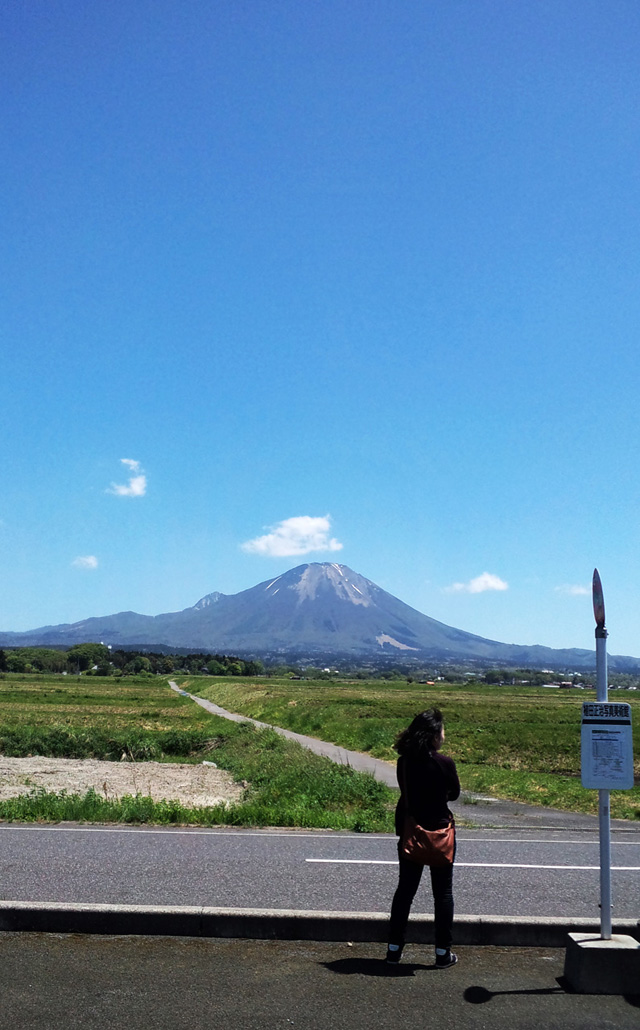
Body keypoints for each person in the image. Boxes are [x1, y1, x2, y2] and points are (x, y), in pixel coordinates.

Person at [386, 707, 460, 969]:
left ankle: (394, 951)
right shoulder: (445, 764)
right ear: (434, 735)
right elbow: (454, 794)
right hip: (440, 834)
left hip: (411, 833)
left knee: (405, 892)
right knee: (443, 894)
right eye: (442, 730)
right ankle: (442, 953)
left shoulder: (404, 762)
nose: (444, 735)